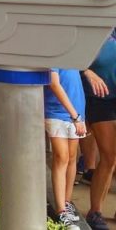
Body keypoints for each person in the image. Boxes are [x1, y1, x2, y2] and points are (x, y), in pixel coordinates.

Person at [82, 30, 116, 230]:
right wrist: (86, 71)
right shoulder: (94, 28)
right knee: (109, 156)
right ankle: (95, 212)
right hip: (100, 98)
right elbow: (71, 59)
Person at [45, 69, 87, 227]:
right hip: (57, 113)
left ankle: (66, 204)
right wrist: (75, 115)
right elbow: (54, 84)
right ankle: (61, 211)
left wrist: (77, 115)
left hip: (76, 114)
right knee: (61, 157)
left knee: (71, 158)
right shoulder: (54, 51)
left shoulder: (72, 56)